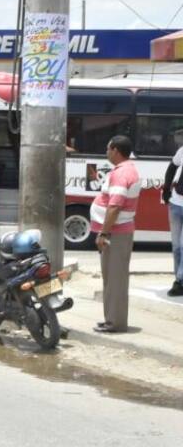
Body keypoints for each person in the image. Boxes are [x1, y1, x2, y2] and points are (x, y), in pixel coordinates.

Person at [91, 135, 140, 333]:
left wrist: (104, 233)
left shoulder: (121, 174)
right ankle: (110, 318)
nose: (106, 152)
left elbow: (114, 207)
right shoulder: (127, 170)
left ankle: (115, 323)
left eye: (107, 149)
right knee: (111, 279)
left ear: (116, 151)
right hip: (117, 232)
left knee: (115, 279)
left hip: (115, 234)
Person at [161, 126, 183, 296]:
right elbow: (172, 167)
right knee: (176, 247)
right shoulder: (182, 151)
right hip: (175, 203)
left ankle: (179, 281)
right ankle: (179, 279)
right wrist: (166, 190)